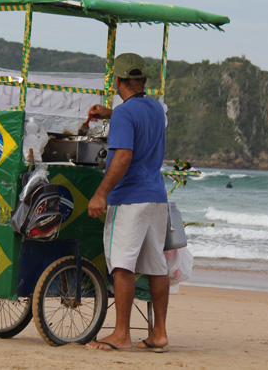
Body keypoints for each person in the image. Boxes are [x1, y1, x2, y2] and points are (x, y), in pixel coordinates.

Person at [85, 53, 169, 352]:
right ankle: (158, 333)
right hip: (157, 198)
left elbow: (122, 156)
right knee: (156, 266)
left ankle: (121, 334)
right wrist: (110, 113)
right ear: (142, 80)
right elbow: (137, 120)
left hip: (130, 199)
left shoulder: (125, 112)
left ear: (117, 80)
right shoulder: (156, 108)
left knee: (122, 266)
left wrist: (100, 193)